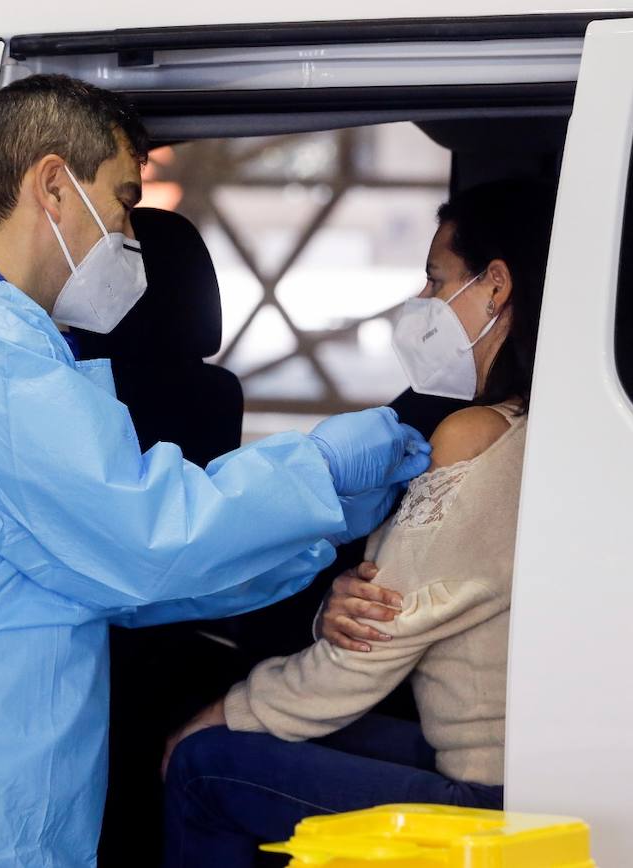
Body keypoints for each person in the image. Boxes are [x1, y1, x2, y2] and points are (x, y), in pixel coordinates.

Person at [0, 74, 431, 868]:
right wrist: (319, 465)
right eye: (124, 201)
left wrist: (326, 516)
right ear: (54, 185)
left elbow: (106, 573)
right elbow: (143, 537)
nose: (128, 232)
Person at [160, 178, 558, 868]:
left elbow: (369, 650)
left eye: (437, 282)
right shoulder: (541, 426)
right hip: (520, 766)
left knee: (204, 766)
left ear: (496, 286)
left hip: (488, 794)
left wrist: (225, 710)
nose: (423, 304)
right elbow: (389, 606)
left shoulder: (475, 435)